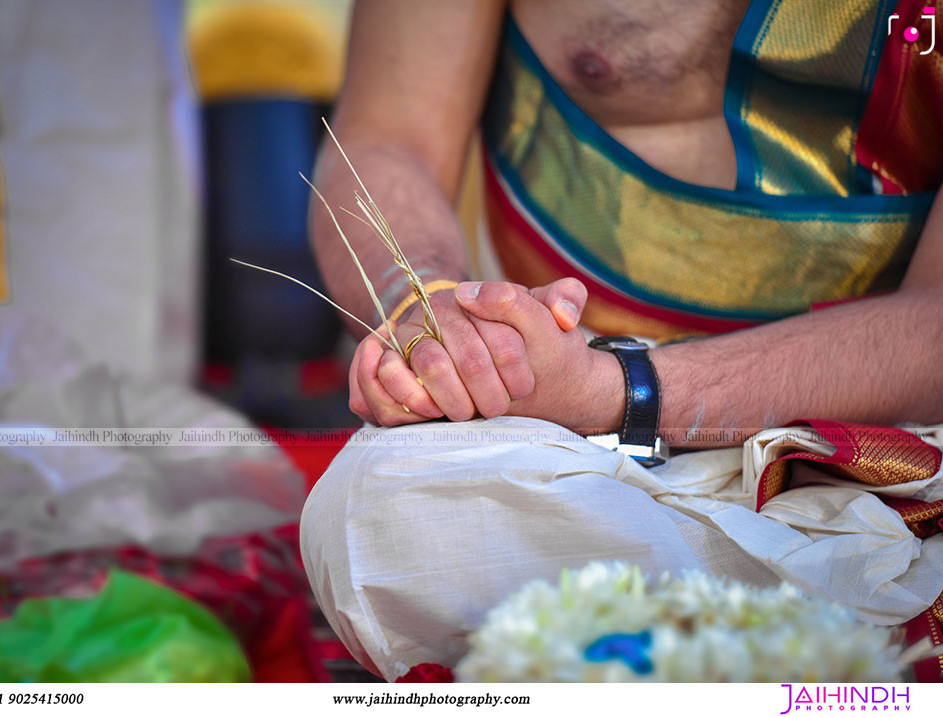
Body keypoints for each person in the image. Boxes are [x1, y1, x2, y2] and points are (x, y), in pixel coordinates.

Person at [302, 0, 943, 679]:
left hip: (887, 459)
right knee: (382, 512)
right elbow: (386, 136)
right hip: (555, 445)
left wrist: (614, 388)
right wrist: (431, 319)